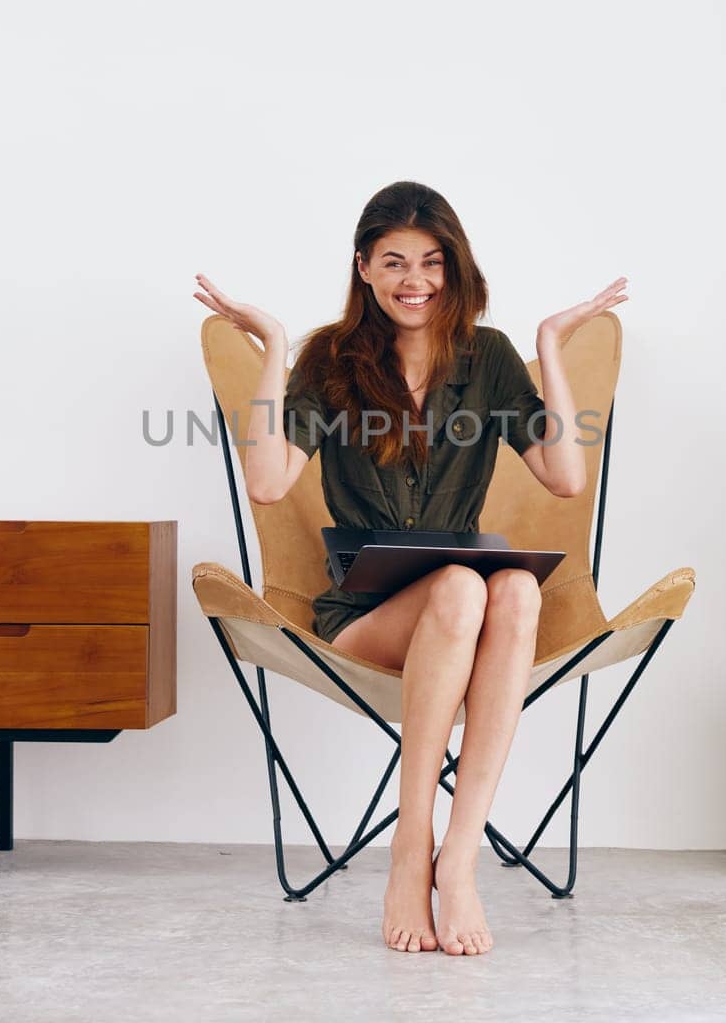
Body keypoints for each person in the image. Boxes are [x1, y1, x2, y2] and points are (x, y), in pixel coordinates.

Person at [193, 181, 627, 957]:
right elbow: (266, 482)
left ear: (454, 270)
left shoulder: (487, 360)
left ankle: (455, 861)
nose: (413, 281)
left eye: (431, 263)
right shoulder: (332, 359)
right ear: (363, 267)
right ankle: (408, 848)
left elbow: (564, 476)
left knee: (514, 586)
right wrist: (276, 343)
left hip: (461, 620)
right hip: (363, 622)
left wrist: (551, 346)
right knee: (465, 584)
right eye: (393, 262)